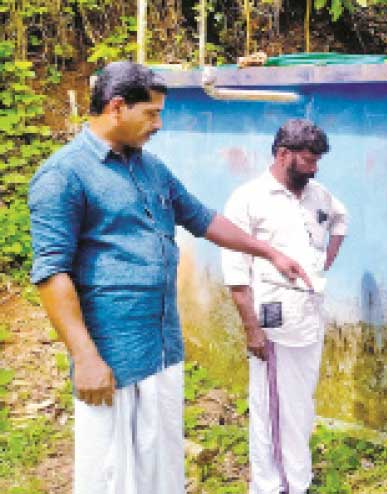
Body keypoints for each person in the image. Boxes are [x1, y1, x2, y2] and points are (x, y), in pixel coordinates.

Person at [28, 61, 310, 494]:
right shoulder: (63, 175)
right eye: (152, 114)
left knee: (161, 472)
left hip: (162, 347)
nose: (159, 124)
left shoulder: (152, 169)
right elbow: (52, 272)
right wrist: (84, 357)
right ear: (117, 107)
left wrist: (269, 252)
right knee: (109, 476)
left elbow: (201, 218)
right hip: (110, 354)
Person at [221, 119, 347, 494]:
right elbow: (236, 275)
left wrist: (324, 263)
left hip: (310, 317)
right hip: (273, 324)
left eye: (317, 160)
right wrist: (251, 330)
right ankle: (273, 486)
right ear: (282, 155)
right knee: (272, 409)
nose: (315, 168)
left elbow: (341, 221)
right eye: (309, 160)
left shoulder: (318, 194)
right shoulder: (248, 199)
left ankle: (298, 479)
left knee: (300, 406)